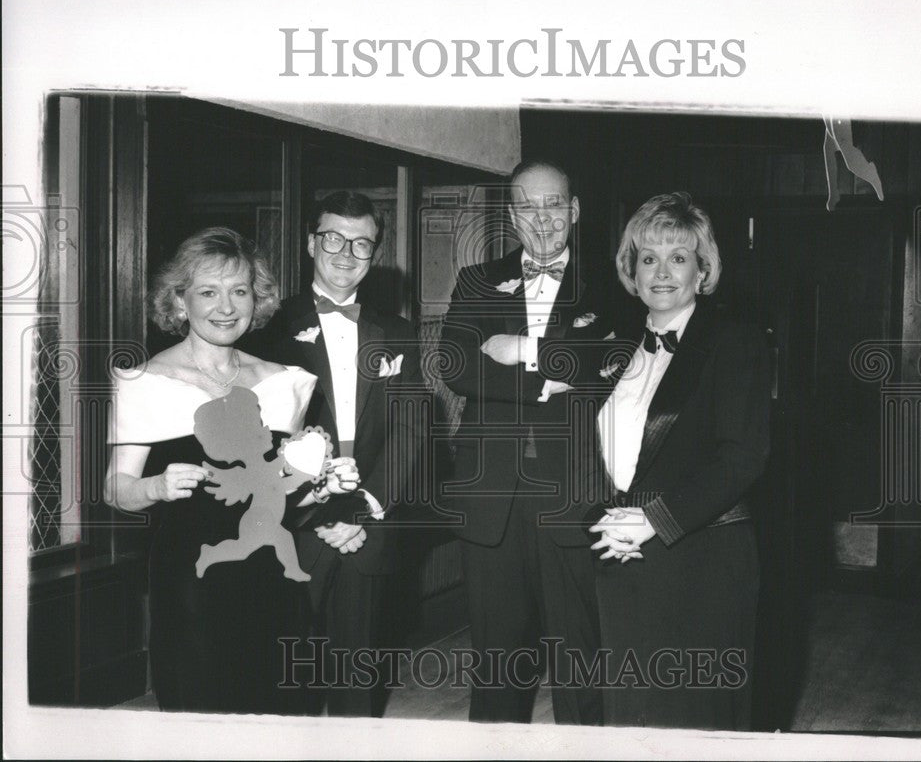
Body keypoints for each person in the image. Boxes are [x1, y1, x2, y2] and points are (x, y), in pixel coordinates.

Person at [534, 192, 770, 729]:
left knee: (692, 723)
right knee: (632, 719)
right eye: (648, 258)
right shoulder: (619, 348)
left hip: (703, 562)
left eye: (679, 257)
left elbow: (743, 457)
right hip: (623, 561)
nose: (661, 272)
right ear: (631, 270)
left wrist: (653, 520)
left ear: (703, 269)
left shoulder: (736, 342)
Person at [104, 227, 357, 715]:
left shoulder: (285, 384)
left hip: (275, 578)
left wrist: (325, 487)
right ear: (180, 303)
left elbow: (282, 498)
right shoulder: (146, 382)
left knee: (287, 710)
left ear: (256, 299)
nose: (226, 306)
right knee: (203, 710)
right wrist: (156, 485)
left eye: (239, 291)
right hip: (191, 581)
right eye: (208, 292)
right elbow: (116, 488)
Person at [439, 159, 613, 724]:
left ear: (575, 210)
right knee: (496, 665)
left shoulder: (613, 285)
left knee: (580, 661)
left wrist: (522, 351)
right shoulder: (476, 281)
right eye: (528, 207)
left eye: (554, 204)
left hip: (575, 490)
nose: (543, 219)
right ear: (512, 216)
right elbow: (456, 365)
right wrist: (552, 378)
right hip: (492, 493)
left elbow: (614, 362)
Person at [244, 191, 425, 717]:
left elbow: (412, 428)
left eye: (362, 243)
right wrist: (320, 507)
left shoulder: (398, 333)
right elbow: (257, 435)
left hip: (369, 520)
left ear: (375, 254)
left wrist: (367, 504)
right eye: (333, 238)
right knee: (285, 675)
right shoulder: (267, 328)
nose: (346, 253)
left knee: (357, 678)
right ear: (309, 242)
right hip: (293, 523)